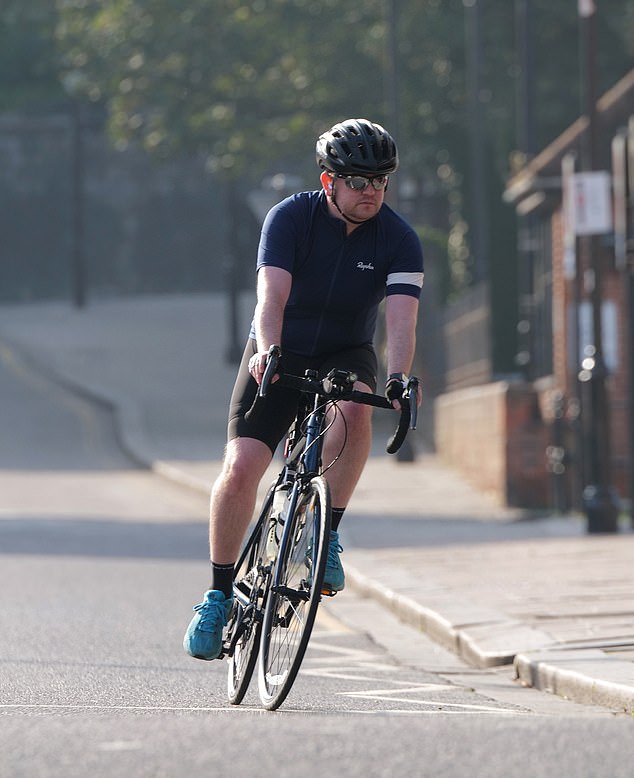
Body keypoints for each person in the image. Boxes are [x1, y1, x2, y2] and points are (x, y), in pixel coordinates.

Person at [183, 118, 424, 661]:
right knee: (243, 465)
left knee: (355, 413)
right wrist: (268, 350)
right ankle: (217, 595)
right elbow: (271, 298)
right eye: (358, 181)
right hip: (279, 346)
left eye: (380, 182)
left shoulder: (400, 239)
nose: (370, 193)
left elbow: (402, 321)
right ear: (328, 182)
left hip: (345, 350)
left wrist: (400, 379)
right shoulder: (290, 217)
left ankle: (328, 532)